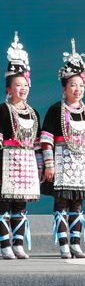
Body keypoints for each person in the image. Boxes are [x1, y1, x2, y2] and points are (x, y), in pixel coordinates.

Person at [41, 39, 85, 258]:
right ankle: (63, 244)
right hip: (62, 161)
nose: (77, 89)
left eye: (81, 85)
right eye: (73, 85)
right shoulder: (55, 110)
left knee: (77, 203)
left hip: (83, 162)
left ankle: (76, 243)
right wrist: (49, 164)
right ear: (64, 87)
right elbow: (46, 139)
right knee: (61, 203)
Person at [0, 33, 41, 260]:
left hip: (26, 162)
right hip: (6, 162)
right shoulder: (2, 110)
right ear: (9, 88)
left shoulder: (33, 113)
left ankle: (18, 243)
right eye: (18, 85)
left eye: (25, 85)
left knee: (21, 205)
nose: (23, 89)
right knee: (4, 204)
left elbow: (37, 143)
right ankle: (5, 244)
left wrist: (41, 165)